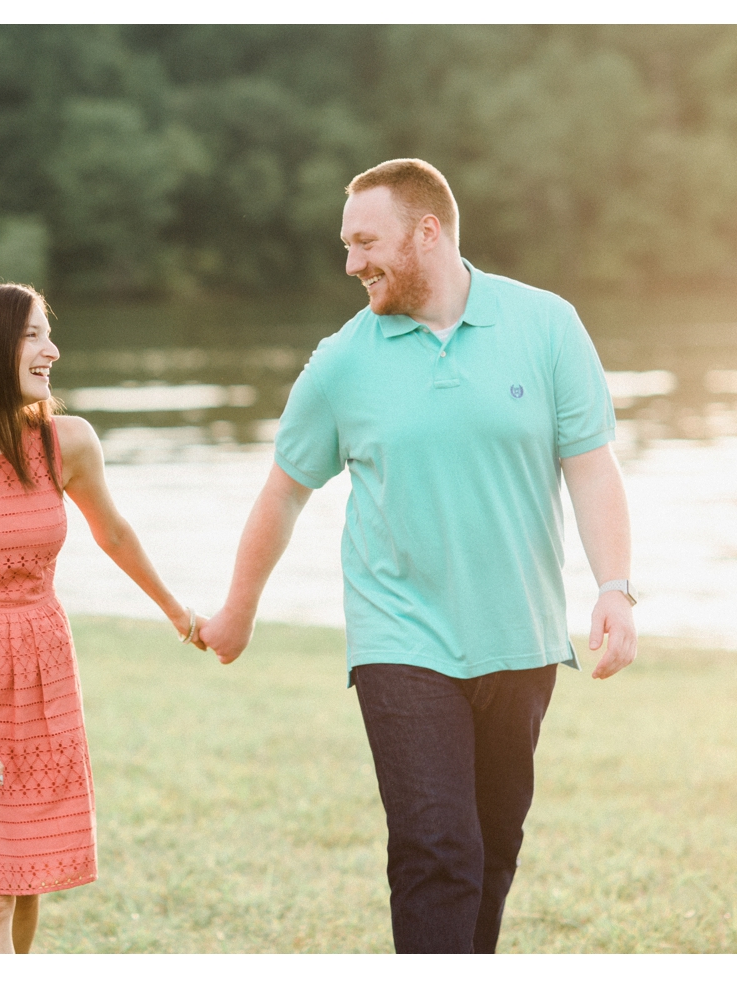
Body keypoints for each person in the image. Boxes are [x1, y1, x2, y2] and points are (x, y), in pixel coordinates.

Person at [198, 159, 638, 954]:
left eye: (365, 241)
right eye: (346, 244)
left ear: (426, 232)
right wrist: (238, 611)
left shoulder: (546, 325)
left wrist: (615, 585)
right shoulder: (342, 360)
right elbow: (283, 492)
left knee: (492, 850)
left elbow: (591, 464)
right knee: (440, 851)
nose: (350, 263)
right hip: (399, 639)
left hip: (521, 637)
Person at [0, 282, 206, 953]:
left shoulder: (68, 443)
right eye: (33, 335)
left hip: (43, 674)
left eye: (46, 333)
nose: (52, 350)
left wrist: (178, 612)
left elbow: (113, 534)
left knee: (29, 879)